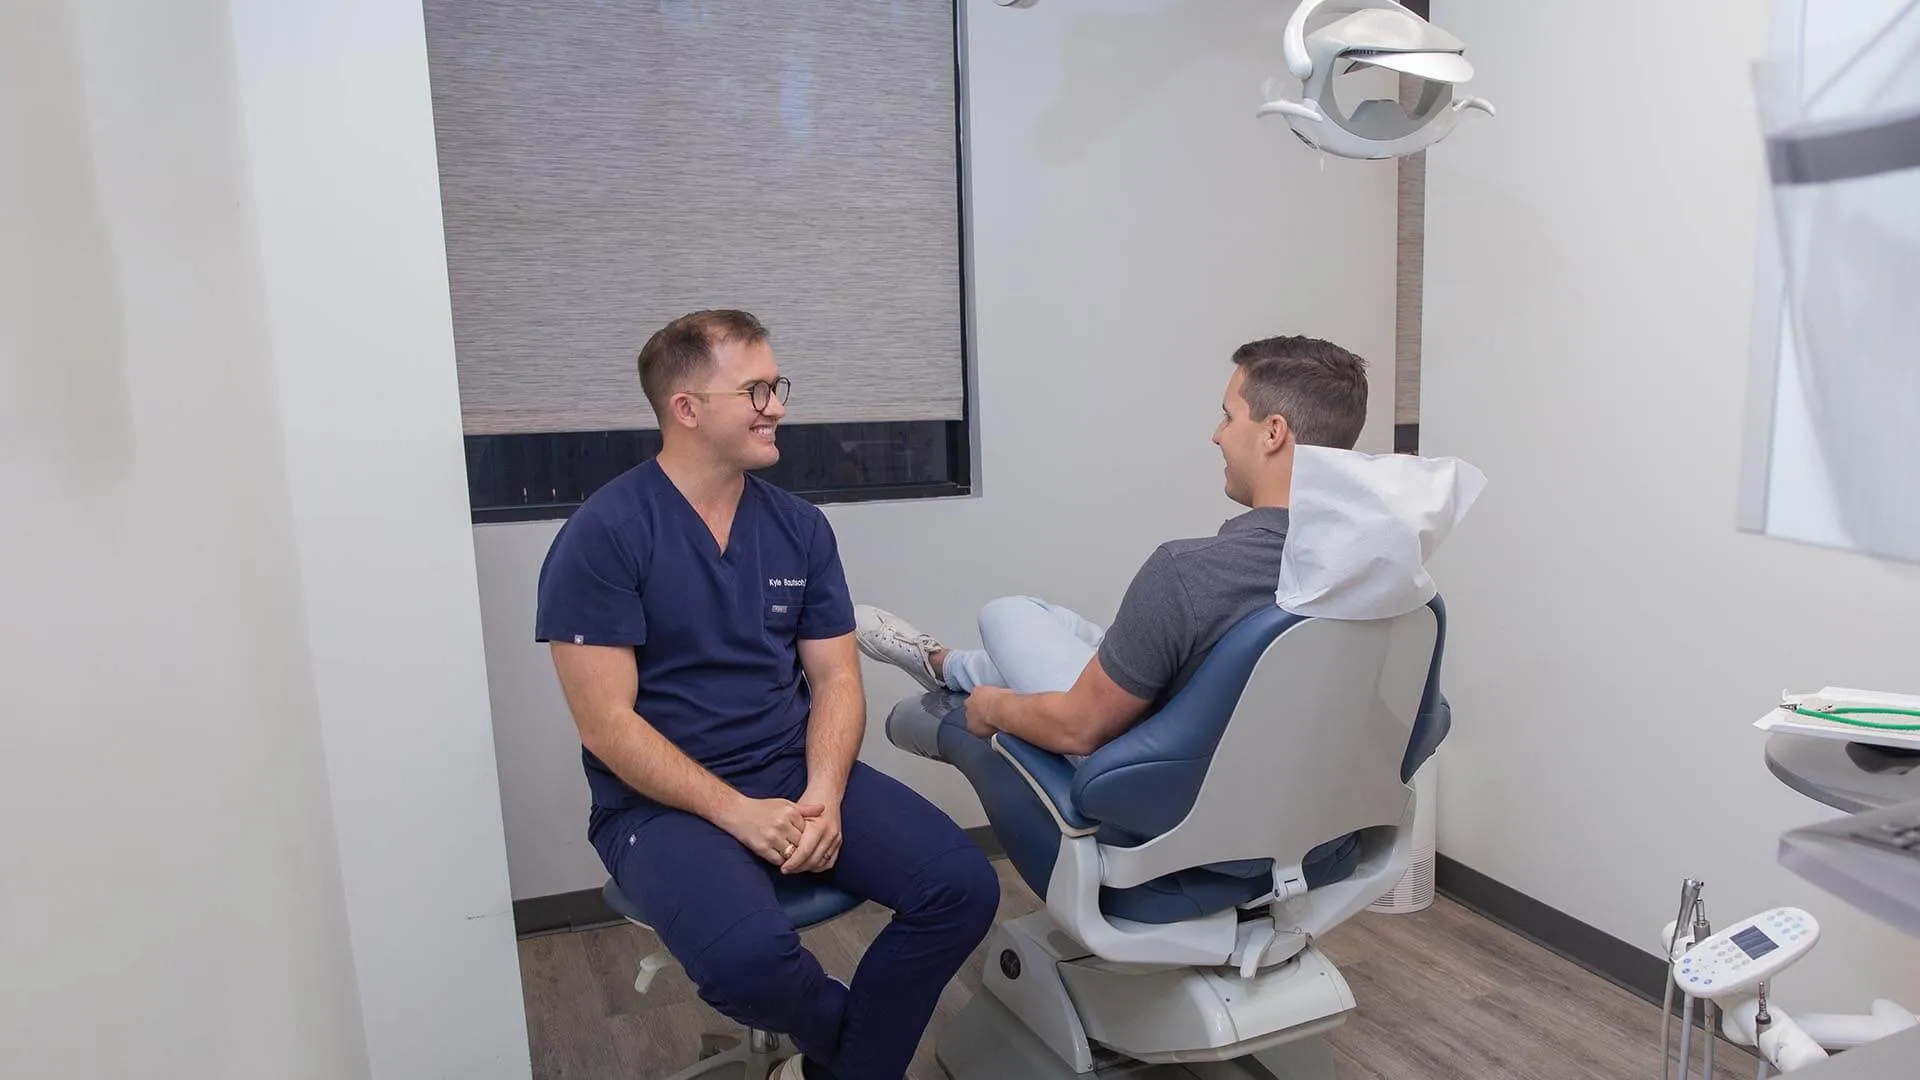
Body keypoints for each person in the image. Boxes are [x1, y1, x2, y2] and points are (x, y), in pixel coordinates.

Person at [535, 310, 998, 1080]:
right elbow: (606, 725)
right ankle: (849, 1046)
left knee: (963, 887)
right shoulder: (605, 534)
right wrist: (736, 812)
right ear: (687, 408)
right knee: (749, 960)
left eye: (777, 387)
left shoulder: (799, 528)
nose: (777, 406)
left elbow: (836, 677)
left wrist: (823, 791)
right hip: (658, 806)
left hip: (790, 769)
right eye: (755, 390)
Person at [857, 335, 1369, 758]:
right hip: (1311, 812)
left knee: (1007, 613)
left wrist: (991, 707)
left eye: (1229, 417)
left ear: (1273, 433)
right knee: (1086, 639)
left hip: (1158, 786)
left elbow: (1078, 729)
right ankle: (953, 664)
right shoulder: (1373, 571)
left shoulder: (1189, 573)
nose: (1217, 436)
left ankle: (944, 666)